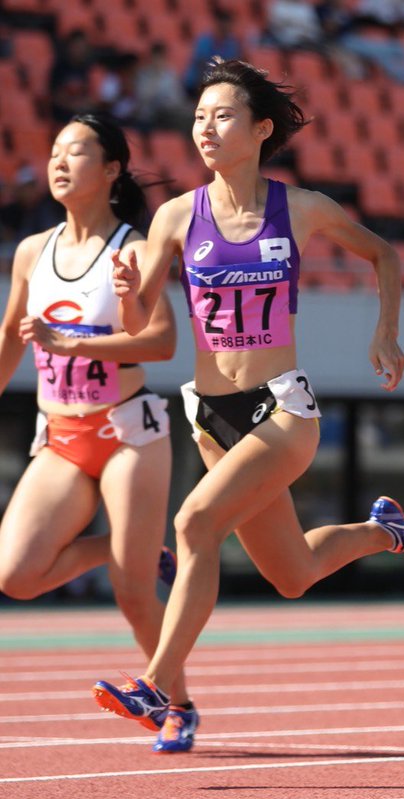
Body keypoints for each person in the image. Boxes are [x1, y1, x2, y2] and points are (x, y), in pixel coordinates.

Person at [90, 58, 404, 739]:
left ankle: (159, 684)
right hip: (214, 418)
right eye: (198, 116)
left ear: (259, 129)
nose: (206, 127)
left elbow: (385, 257)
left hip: (281, 408)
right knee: (293, 572)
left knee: (194, 525)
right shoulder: (173, 218)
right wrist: (131, 291)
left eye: (222, 115)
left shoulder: (302, 208)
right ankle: (385, 530)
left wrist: (387, 334)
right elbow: (146, 332)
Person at [0, 114, 192, 752]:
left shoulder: (134, 250)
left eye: (75, 151)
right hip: (59, 434)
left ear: (111, 170)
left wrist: (74, 341)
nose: (58, 162)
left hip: (128, 434)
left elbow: (163, 341)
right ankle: (133, 547)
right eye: (53, 151)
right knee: (17, 577)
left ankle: (179, 705)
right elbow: (8, 339)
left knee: (131, 591)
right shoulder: (33, 251)